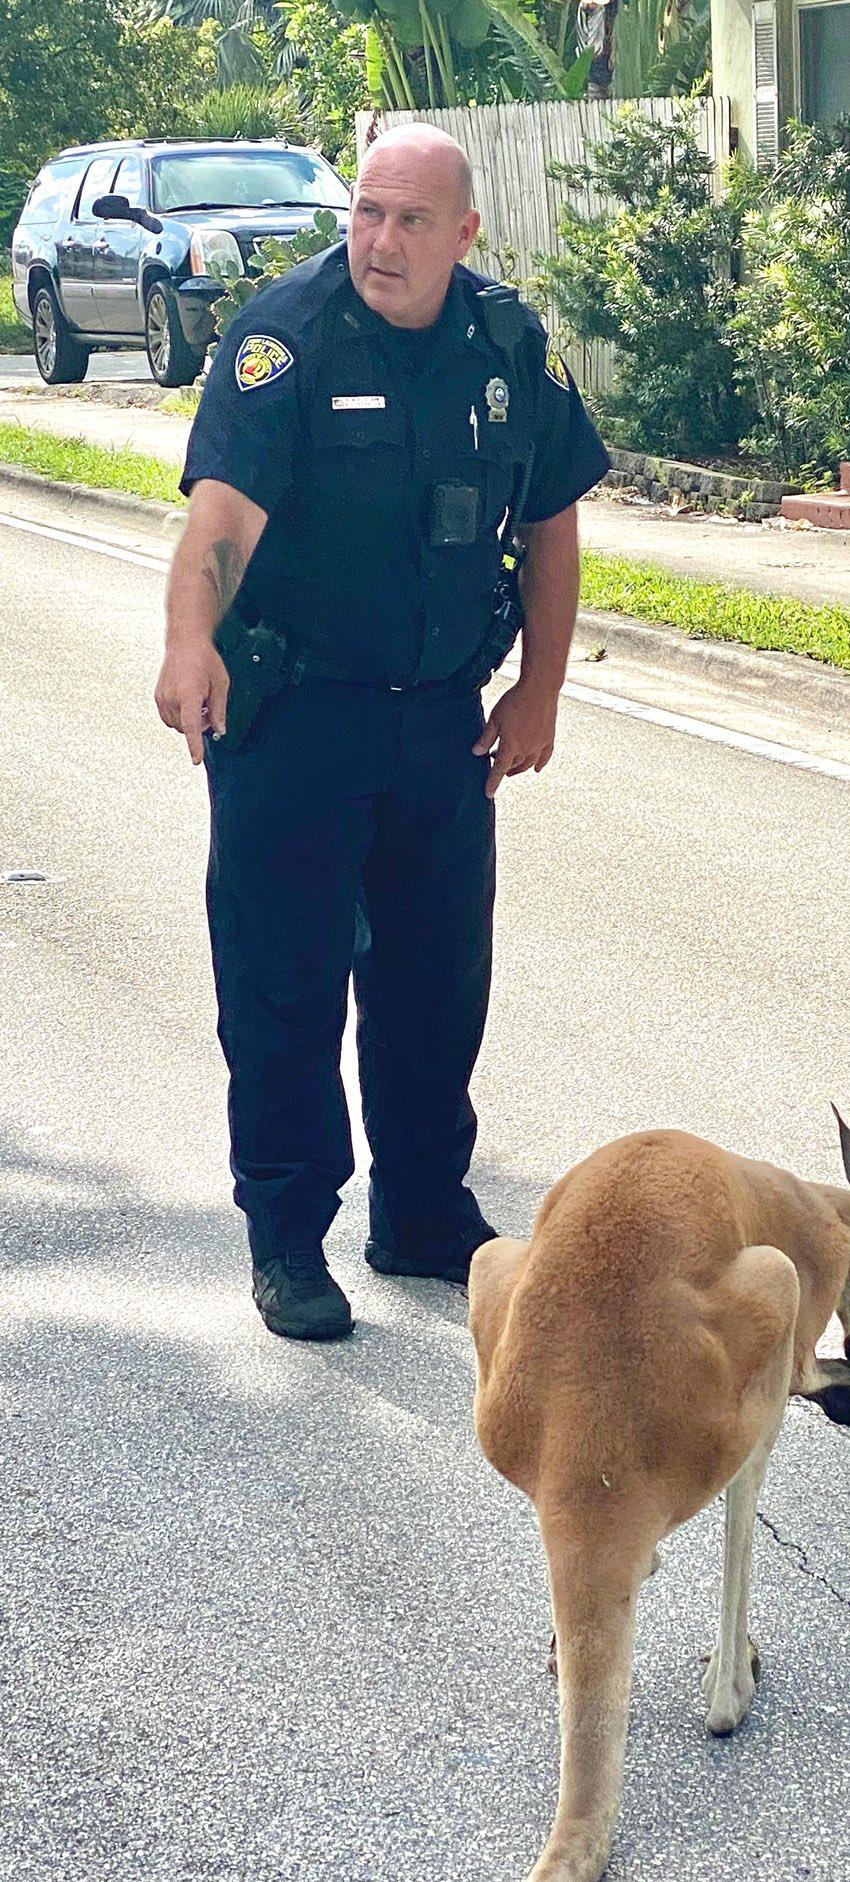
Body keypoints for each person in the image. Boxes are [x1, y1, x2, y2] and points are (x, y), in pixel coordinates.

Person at [155, 124, 609, 1341]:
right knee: (284, 989)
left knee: (433, 986)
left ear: (465, 235)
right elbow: (222, 517)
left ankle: (420, 1209)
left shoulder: (504, 343)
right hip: (294, 723)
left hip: (438, 731)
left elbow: (554, 520)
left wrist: (542, 690)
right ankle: (289, 1237)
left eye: (412, 220)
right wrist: (188, 639)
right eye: (367, 213)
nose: (381, 241)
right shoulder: (284, 339)